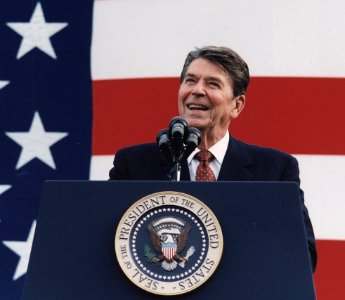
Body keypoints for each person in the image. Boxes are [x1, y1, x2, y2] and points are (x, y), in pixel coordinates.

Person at [109, 46, 317, 272]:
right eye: (190, 80)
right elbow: (108, 244)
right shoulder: (134, 164)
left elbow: (302, 254)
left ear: (237, 105)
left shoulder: (275, 170)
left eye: (212, 84)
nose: (197, 90)